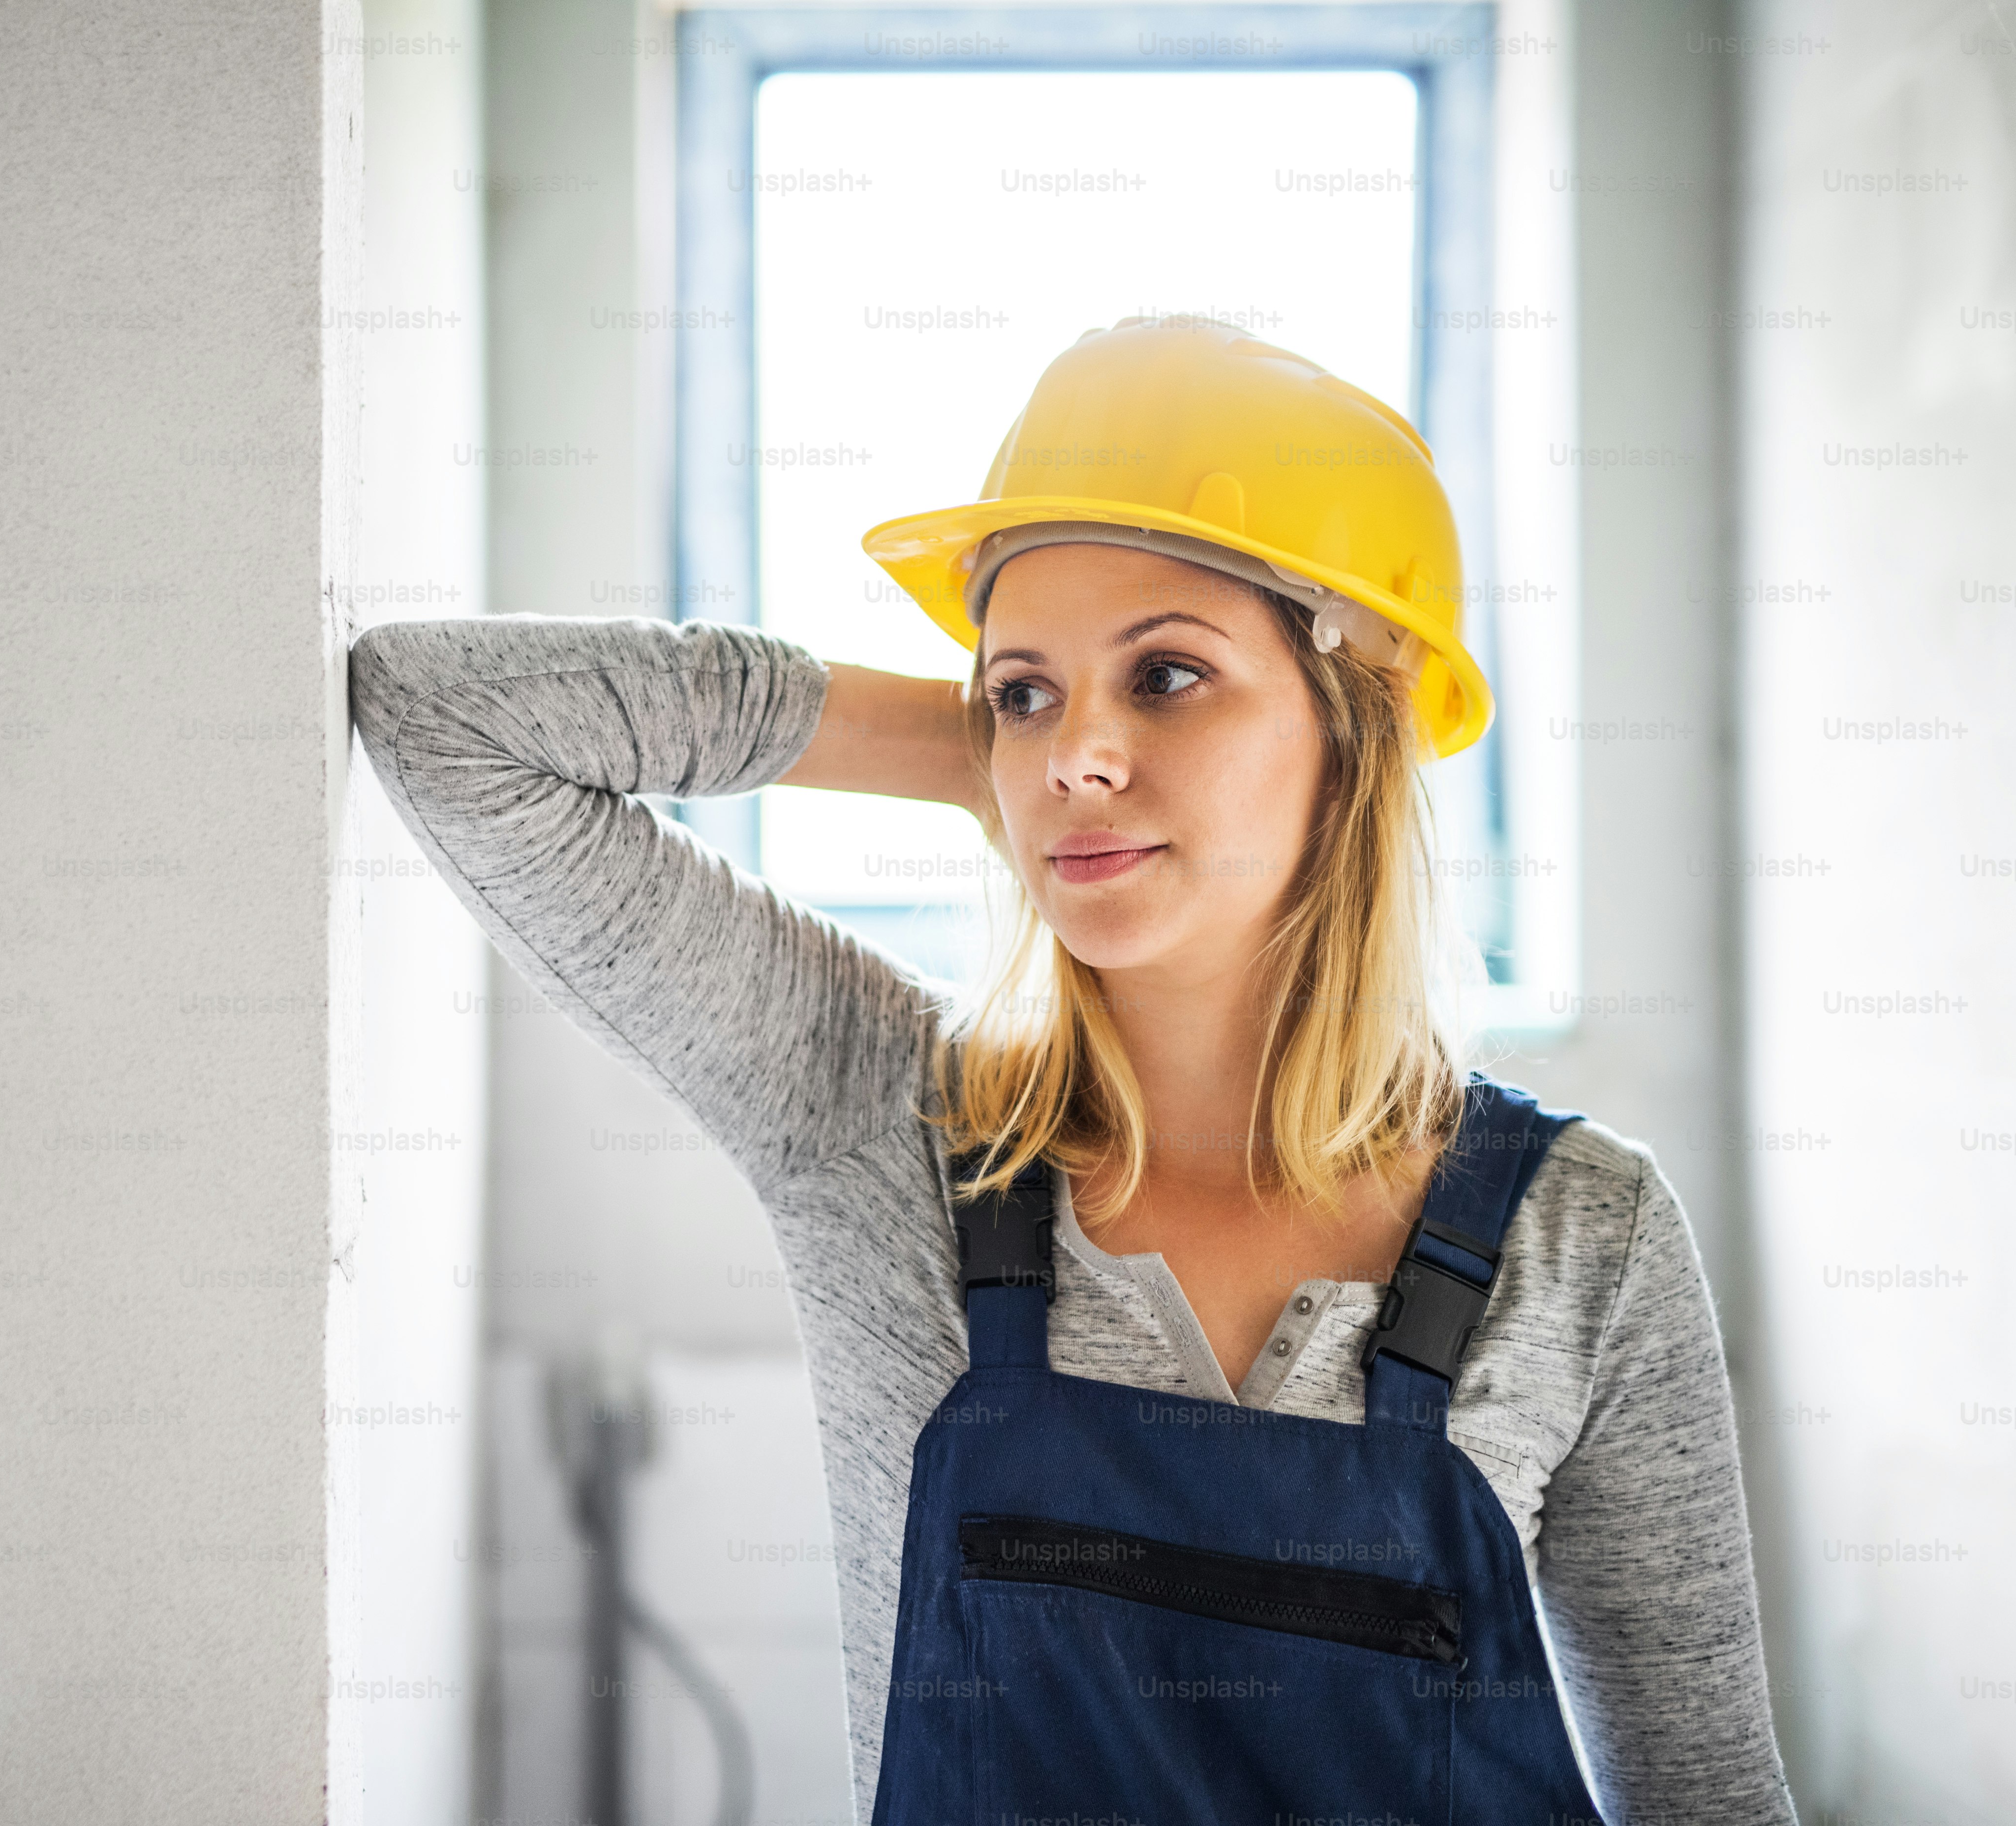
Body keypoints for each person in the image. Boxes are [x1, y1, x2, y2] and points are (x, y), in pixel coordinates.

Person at [349, 315, 1795, 1823]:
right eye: (1023, 690)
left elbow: (1710, 1802)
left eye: (1168, 676)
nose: (1071, 756)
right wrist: (967, 743)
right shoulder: (882, 1126)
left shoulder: (1585, 1242)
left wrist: (1053, 724)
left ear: (1358, 723)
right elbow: (440, 715)